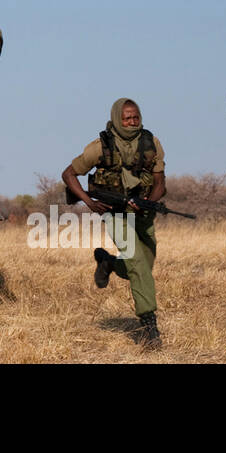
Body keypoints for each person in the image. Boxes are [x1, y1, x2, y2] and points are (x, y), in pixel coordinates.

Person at [61, 97, 166, 349]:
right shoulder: (100, 147)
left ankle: (108, 262)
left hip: (143, 214)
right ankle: (150, 328)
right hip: (116, 214)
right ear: (118, 118)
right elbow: (68, 174)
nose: (132, 122)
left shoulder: (151, 142)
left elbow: (160, 184)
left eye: (136, 117)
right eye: (127, 118)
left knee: (143, 266)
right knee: (138, 265)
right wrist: (89, 202)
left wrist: (147, 203)